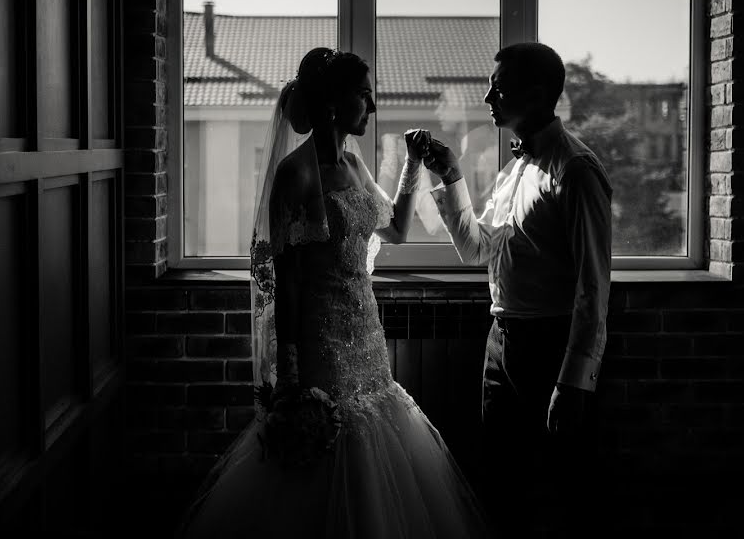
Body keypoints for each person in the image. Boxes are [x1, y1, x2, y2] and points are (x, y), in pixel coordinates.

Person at [178, 47, 489, 538]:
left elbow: (398, 231)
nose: (371, 105)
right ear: (331, 103)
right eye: (363, 95)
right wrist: (292, 377)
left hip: (366, 338)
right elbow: (289, 284)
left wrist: (412, 165)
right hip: (322, 348)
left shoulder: (355, 164)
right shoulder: (295, 175)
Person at [419, 41, 613, 539]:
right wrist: (449, 175)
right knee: (501, 484)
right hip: (499, 345)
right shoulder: (513, 170)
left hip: (551, 347)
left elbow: (593, 286)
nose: (487, 96)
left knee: (570, 490)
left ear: (540, 91)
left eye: (498, 87)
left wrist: (574, 383)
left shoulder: (576, 171)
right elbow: (477, 249)